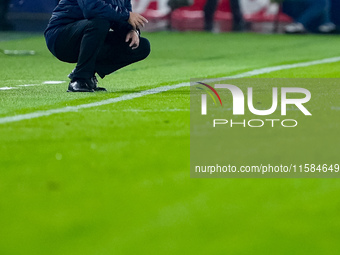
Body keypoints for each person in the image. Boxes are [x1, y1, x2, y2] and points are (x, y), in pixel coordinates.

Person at [44, 0, 151, 92]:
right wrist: (126, 15)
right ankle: (80, 79)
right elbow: (91, 8)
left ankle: (88, 72)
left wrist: (132, 30)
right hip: (61, 37)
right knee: (100, 22)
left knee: (141, 46)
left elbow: (123, 17)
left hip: (90, 35)